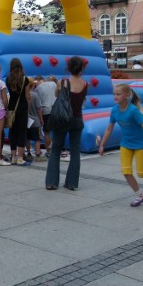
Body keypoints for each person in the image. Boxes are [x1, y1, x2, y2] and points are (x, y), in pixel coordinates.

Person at [98, 84, 143, 207]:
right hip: (126, 144)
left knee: (141, 174)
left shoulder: (133, 111)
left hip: (140, 145)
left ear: (127, 96)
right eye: (114, 94)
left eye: (118, 94)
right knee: (126, 171)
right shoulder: (114, 110)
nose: (115, 97)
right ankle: (140, 195)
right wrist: (102, 144)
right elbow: (109, 128)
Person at [45, 56, 88, 190]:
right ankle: (72, 183)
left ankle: (52, 182)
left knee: (56, 149)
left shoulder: (62, 82)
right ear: (81, 68)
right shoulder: (86, 84)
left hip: (63, 119)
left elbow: (57, 95)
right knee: (75, 151)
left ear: (68, 68)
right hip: (77, 119)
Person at [6, 58, 31, 166]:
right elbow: (27, 96)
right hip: (22, 107)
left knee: (13, 131)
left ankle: (13, 157)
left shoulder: (8, 79)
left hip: (11, 107)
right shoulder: (25, 79)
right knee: (22, 131)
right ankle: (20, 157)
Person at [35, 75, 57, 158]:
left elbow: (38, 103)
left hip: (45, 110)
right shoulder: (53, 84)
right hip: (55, 109)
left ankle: (48, 150)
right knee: (55, 131)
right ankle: (55, 149)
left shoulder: (38, 89)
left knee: (47, 132)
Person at [26, 81, 45, 162]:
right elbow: (38, 109)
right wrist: (41, 119)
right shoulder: (35, 95)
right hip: (35, 120)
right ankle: (37, 154)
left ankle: (29, 153)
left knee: (27, 138)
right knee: (37, 138)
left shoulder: (25, 95)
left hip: (26, 120)